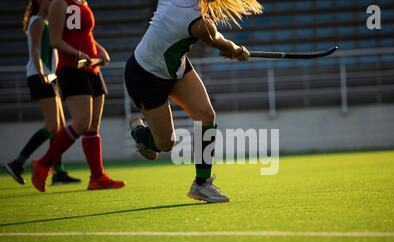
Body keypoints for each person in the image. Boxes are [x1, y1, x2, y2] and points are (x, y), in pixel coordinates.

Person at [125, 0, 262, 203]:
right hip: (146, 75)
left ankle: (202, 184)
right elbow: (216, 40)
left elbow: (214, 38)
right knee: (165, 144)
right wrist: (238, 51)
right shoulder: (197, 23)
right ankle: (139, 131)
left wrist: (232, 48)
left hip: (176, 68)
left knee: (206, 115)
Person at [31, 0, 126, 192]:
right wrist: (78, 54)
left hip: (92, 68)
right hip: (72, 69)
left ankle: (97, 177)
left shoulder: (83, 2)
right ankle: (42, 164)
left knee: (92, 127)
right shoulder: (59, 3)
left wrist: (99, 49)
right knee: (81, 123)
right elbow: (56, 40)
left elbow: (84, 34)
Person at [4, 0, 80, 186]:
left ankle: (59, 172)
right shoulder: (37, 20)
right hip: (39, 76)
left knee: (60, 128)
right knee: (52, 125)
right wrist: (43, 74)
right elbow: (35, 52)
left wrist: (53, 75)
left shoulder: (46, 20)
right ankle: (17, 163)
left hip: (49, 76)